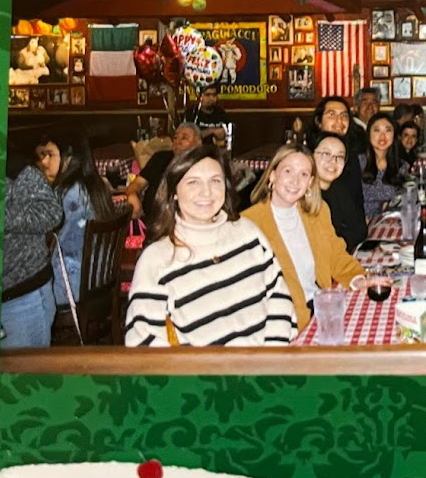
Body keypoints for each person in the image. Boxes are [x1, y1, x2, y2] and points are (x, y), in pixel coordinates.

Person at [125, 145, 294, 346]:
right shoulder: (158, 258)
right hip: (201, 366)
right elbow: (142, 338)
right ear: (174, 191)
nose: (206, 192)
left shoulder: (248, 233)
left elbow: (279, 297)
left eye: (215, 181)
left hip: (267, 360)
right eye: (193, 182)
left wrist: (272, 354)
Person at [242, 144, 367, 332]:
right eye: (288, 171)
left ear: (310, 183)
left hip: (320, 308)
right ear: (272, 175)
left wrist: (357, 278)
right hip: (284, 322)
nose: (295, 181)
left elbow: (336, 255)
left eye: (303, 174)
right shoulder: (249, 224)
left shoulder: (317, 212)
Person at [0, 140, 64, 349]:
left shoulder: (14, 166)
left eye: (49, 155)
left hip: (21, 293)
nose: (45, 161)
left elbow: (51, 213)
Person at [50, 135, 117, 306]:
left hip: (73, 285)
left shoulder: (67, 192)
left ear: (68, 158)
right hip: (102, 278)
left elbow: (51, 240)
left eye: (51, 156)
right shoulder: (99, 186)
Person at [309, 95, 367, 249]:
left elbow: (357, 201)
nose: (339, 121)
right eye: (332, 115)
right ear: (318, 121)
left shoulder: (352, 156)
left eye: (344, 116)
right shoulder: (307, 160)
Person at [124, 123, 202, 226]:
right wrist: (132, 194)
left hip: (186, 224)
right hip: (151, 222)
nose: (178, 142)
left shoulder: (202, 165)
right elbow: (137, 184)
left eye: (184, 138)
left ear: (198, 143)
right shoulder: (160, 158)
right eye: (175, 137)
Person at [360, 112, 407, 221]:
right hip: (360, 223)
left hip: (386, 222)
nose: (382, 136)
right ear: (369, 134)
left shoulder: (400, 165)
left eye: (388, 130)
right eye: (377, 130)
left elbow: (399, 200)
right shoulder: (358, 163)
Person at [184, 81, 229, 147]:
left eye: (214, 95)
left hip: (216, 150)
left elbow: (229, 131)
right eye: (208, 95)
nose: (212, 98)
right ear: (200, 96)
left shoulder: (220, 112)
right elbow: (187, 136)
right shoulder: (192, 113)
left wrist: (224, 134)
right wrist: (211, 131)